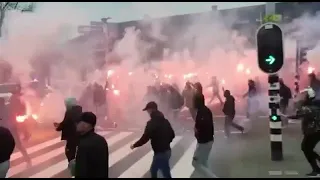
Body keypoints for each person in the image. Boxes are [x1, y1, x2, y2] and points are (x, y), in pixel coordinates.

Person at [130, 101, 175, 178]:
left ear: (151, 110)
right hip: (167, 151)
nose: (147, 112)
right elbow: (172, 134)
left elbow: (145, 138)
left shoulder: (151, 123)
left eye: (148, 110)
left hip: (160, 153)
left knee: (155, 170)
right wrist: (166, 142)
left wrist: (134, 145)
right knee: (163, 171)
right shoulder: (165, 121)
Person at [287, 87, 320, 177]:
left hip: (312, 131)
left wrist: (286, 116)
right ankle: (316, 167)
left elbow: (298, 115)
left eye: (305, 96)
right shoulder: (315, 105)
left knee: (306, 148)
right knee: (307, 148)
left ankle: (316, 169)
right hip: (315, 131)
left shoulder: (307, 107)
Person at [74, 112, 109, 178]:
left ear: (86, 125)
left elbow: (81, 171)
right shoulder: (101, 140)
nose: (76, 124)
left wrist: (76, 167)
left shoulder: (84, 144)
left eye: (78, 122)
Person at [192, 88, 216, 178]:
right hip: (206, 141)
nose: (192, 103)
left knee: (195, 163)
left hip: (204, 142)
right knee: (204, 162)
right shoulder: (204, 110)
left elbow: (203, 127)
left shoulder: (202, 113)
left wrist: (197, 131)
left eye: (194, 101)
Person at [54, 98, 82, 162]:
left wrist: (58, 127)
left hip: (71, 135)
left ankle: (72, 166)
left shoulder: (69, 112)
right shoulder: (78, 111)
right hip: (78, 135)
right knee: (77, 150)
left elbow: (66, 122)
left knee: (70, 153)